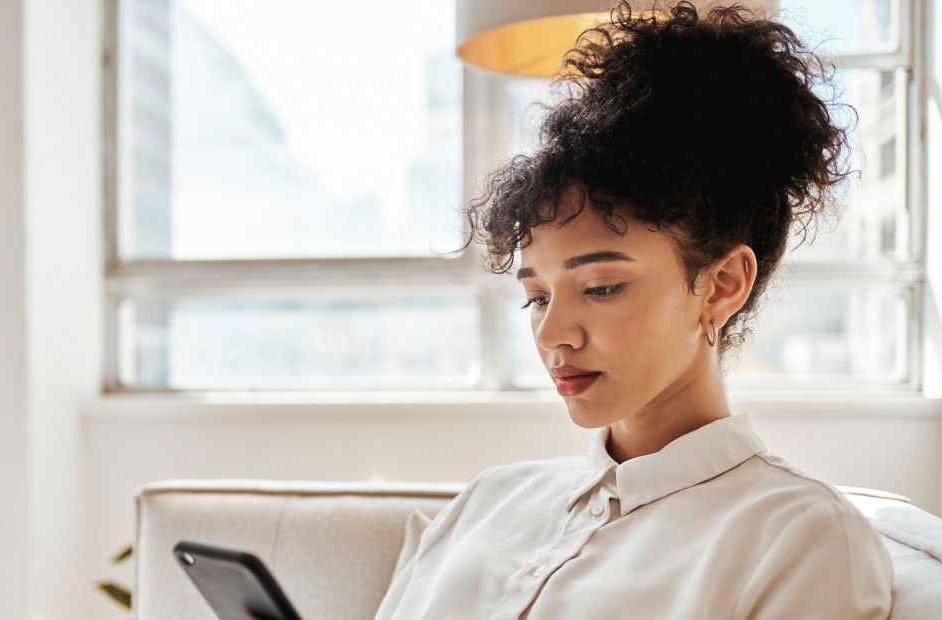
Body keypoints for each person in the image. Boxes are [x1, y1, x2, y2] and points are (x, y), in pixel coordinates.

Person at [374, 1, 895, 618]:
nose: (552, 335)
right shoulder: (489, 499)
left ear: (723, 284)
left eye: (600, 288)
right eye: (536, 297)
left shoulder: (797, 538)